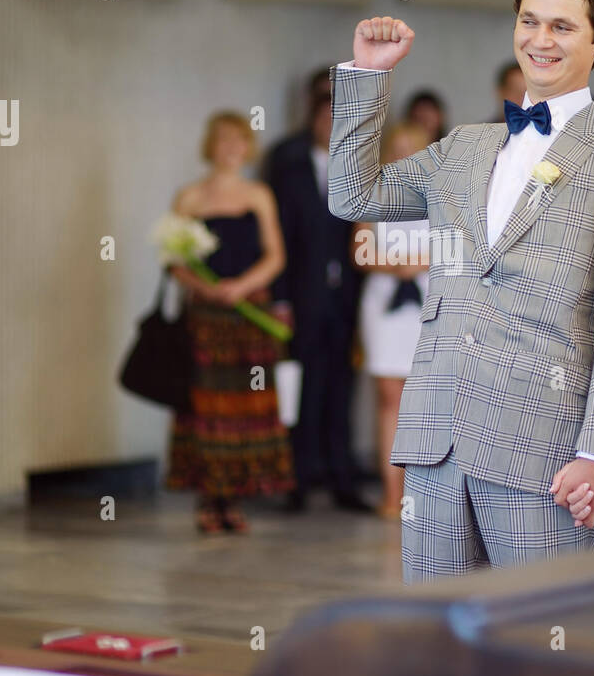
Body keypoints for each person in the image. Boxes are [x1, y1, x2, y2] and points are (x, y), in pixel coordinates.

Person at [328, 0, 594, 583]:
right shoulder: (464, 145)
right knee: (433, 645)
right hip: (436, 441)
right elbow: (352, 195)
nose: (540, 41)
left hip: (547, 452)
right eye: (530, 22)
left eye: (562, 27)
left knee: (538, 647)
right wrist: (368, 77)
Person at [166, 112, 294, 533]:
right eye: (223, 139)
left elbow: (275, 255)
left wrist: (240, 287)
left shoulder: (259, 194)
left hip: (248, 314)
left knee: (245, 408)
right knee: (206, 408)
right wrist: (205, 288)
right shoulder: (188, 197)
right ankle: (208, 500)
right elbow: (173, 259)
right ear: (210, 144)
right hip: (205, 317)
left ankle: (234, 502)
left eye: (239, 139)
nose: (231, 147)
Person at [263, 70, 371, 513]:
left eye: (337, 117)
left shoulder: (358, 166)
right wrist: (281, 298)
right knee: (302, 389)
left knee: (342, 388)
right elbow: (278, 238)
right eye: (323, 117)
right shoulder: (288, 169)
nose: (330, 125)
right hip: (304, 297)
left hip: (347, 297)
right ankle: (298, 480)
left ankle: (343, 479)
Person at [353, 121, 434, 519]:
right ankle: (391, 493)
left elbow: (458, 247)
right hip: (384, 302)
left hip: (429, 302)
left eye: (411, 148)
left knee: (427, 400)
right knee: (389, 399)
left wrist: (415, 263)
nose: (403, 155)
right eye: (396, 148)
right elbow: (360, 251)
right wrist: (396, 267)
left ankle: (425, 495)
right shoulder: (373, 198)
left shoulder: (442, 196)